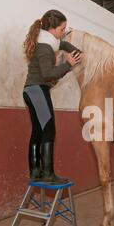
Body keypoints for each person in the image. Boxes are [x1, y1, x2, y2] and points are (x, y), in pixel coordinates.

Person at [22, 9, 82, 183]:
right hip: (37, 90)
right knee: (49, 130)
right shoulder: (45, 47)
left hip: (31, 90)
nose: (63, 32)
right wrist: (69, 65)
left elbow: (62, 45)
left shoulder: (48, 41)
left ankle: (35, 171)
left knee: (38, 131)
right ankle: (47, 174)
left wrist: (76, 50)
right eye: (62, 29)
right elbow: (48, 74)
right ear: (53, 29)